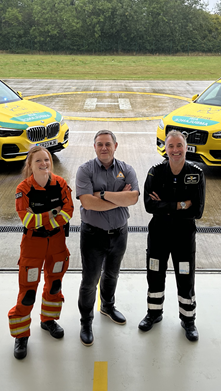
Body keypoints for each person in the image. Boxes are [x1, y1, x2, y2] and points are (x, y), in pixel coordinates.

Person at [138, 130, 206, 341]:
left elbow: (197, 210)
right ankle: (154, 313)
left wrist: (164, 205)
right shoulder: (155, 172)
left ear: (185, 147)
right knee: (155, 273)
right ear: (165, 149)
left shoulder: (196, 173)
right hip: (159, 234)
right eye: (171, 146)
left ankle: (188, 320)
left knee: (185, 277)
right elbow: (149, 205)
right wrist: (180, 204)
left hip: (183, 237)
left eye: (179, 146)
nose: (175, 150)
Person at [8, 146, 74, 360]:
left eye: (46, 159)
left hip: (57, 243)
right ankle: (21, 335)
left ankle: (48, 320)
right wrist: (54, 212)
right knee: (27, 293)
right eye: (38, 161)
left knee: (55, 284)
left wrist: (42, 217)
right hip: (33, 246)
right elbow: (28, 221)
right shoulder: (23, 189)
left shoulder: (61, 184)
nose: (44, 163)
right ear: (30, 165)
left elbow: (69, 212)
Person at [75, 130, 140, 346]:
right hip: (92, 235)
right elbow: (87, 203)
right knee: (90, 280)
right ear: (94, 147)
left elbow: (133, 198)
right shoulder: (85, 170)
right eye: (100, 144)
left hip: (119, 234)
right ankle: (86, 321)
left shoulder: (126, 169)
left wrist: (101, 194)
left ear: (116, 146)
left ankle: (108, 306)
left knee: (112, 274)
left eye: (108, 144)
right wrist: (120, 198)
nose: (104, 148)